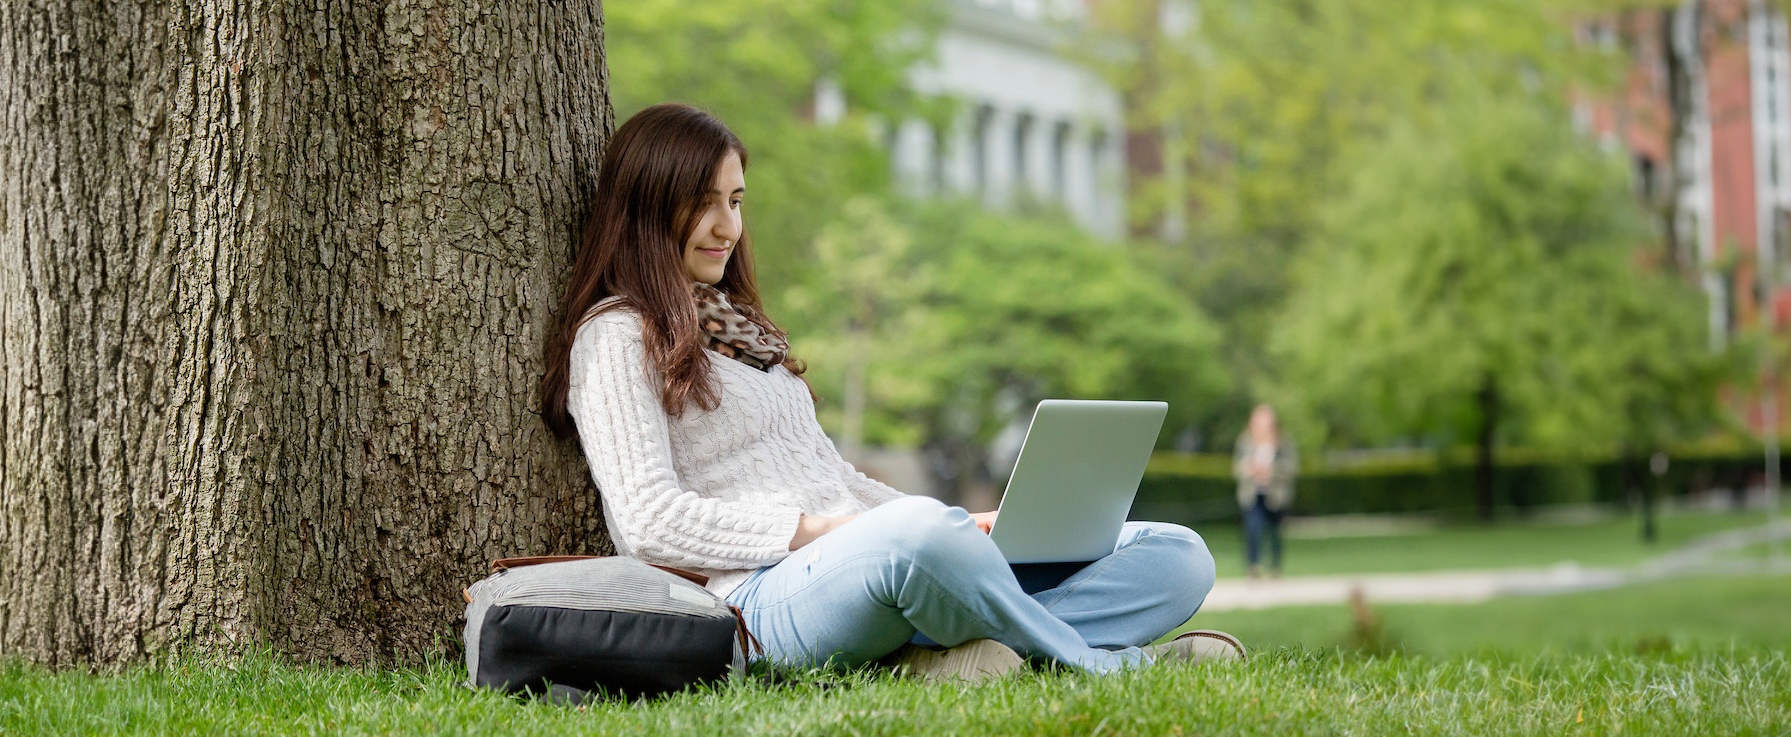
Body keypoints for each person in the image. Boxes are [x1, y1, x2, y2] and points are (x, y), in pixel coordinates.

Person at [538, 103, 1241, 680]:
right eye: (703, 204)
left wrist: (961, 524)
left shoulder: (744, 330)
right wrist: (819, 532)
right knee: (920, 538)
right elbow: (646, 521)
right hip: (760, 597)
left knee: (1176, 554)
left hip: (872, 555)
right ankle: (1105, 663)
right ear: (646, 207)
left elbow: (833, 478)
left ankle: (944, 658)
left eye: (735, 200)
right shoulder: (615, 334)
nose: (729, 226)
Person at [1232, 404, 1298, 579]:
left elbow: (1291, 467)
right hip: (1253, 494)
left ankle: (1275, 567)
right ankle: (1253, 566)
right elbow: (1237, 466)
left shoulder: (1283, 442)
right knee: (1253, 530)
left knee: (1275, 532)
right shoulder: (1245, 441)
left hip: (1275, 495)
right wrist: (1251, 469)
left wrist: (1271, 470)